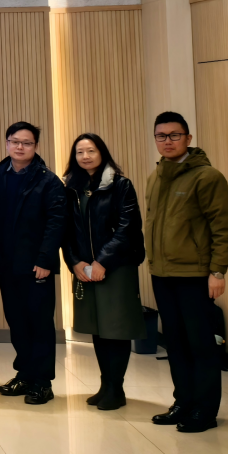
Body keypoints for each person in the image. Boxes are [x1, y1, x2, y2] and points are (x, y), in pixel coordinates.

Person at [145, 111, 228, 433]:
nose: (167, 141)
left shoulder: (207, 177)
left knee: (200, 344)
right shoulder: (156, 176)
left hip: (195, 275)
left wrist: (218, 271)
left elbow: (224, 229)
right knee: (175, 343)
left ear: (188, 138)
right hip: (162, 273)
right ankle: (183, 402)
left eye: (174, 135)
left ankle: (205, 411)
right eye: (161, 136)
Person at [63, 133, 146, 411]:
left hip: (116, 267)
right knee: (97, 328)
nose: (85, 156)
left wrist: (102, 261)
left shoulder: (120, 185)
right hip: (84, 268)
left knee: (115, 328)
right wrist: (75, 262)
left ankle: (116, 389)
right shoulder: (71, 188)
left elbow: (127, 228)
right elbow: (66, 231)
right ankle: (105, 385)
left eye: (91, 151)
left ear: (102, 153)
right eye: (80, 152)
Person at [0, 122, 66, 405]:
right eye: (15, 141)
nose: (20, 147)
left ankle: (42, 382)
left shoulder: (49, 181)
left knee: (40, 323)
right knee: (17, 321)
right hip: (5, 263)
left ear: (36, 146)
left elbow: (57, 223)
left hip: (36, 265)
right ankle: (24, 374)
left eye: (27, 143)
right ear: (7, 143)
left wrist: (46, 259)